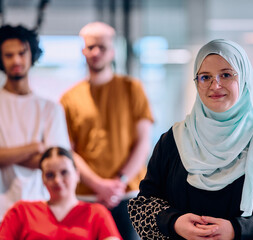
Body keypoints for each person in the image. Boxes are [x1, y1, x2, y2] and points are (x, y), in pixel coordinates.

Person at [128, 39, 253, 239]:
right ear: (197, 83)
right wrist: (175, 223)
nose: (215, 85)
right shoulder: (173, 140)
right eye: (205, 77)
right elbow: (142, 207)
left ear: (244, 78)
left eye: (226, 74)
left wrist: (237, 230)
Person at [60, 22, 153, 240]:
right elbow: (68, 151)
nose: (95, 52)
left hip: (128, 193)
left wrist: (118, 182)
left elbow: (143, 141)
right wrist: (98, 185)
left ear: (112, 51)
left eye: (102, 47)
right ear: (83, 51)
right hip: (86, 195)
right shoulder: (69, 98)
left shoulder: (133, 89)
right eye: (90, 47)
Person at [0, 25, 70, 222]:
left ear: (32, 54)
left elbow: (56, 163)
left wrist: (6, 154)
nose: (16, 60)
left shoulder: (50, 108)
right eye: (9, 55)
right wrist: (35, 147)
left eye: (22, 53)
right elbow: (44, 158)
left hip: (42, 209)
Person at [0, 146, 122, 240]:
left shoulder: (96, 213)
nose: (57, 180)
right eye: (50, 175)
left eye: (64, 172)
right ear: (42, 179)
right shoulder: (22, 211)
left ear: (77, 175)